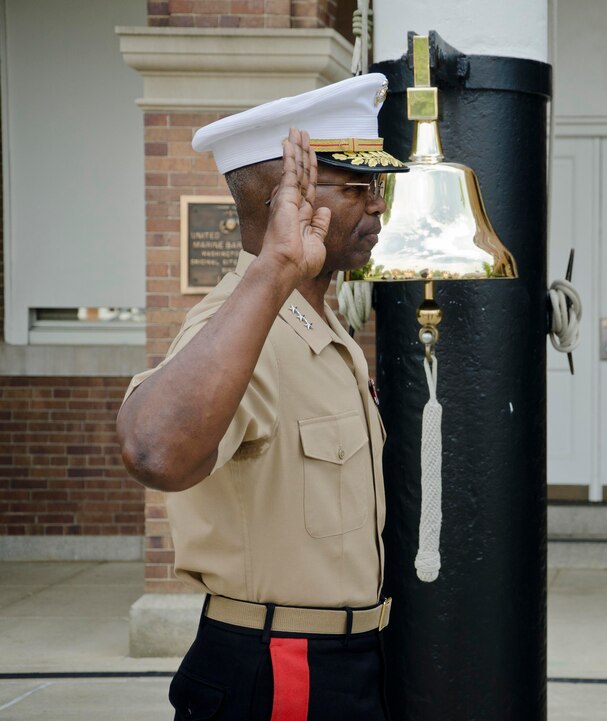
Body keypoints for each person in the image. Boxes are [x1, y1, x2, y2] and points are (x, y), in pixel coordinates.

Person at [116, 73, 408, 721]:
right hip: (280, 667)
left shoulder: (325, 322)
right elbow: (155, 448)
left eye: (379, 186)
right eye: (357, 187)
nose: (379, 206)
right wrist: (274, 266)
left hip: (347, 660)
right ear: (286, 200)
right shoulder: (242, 324)